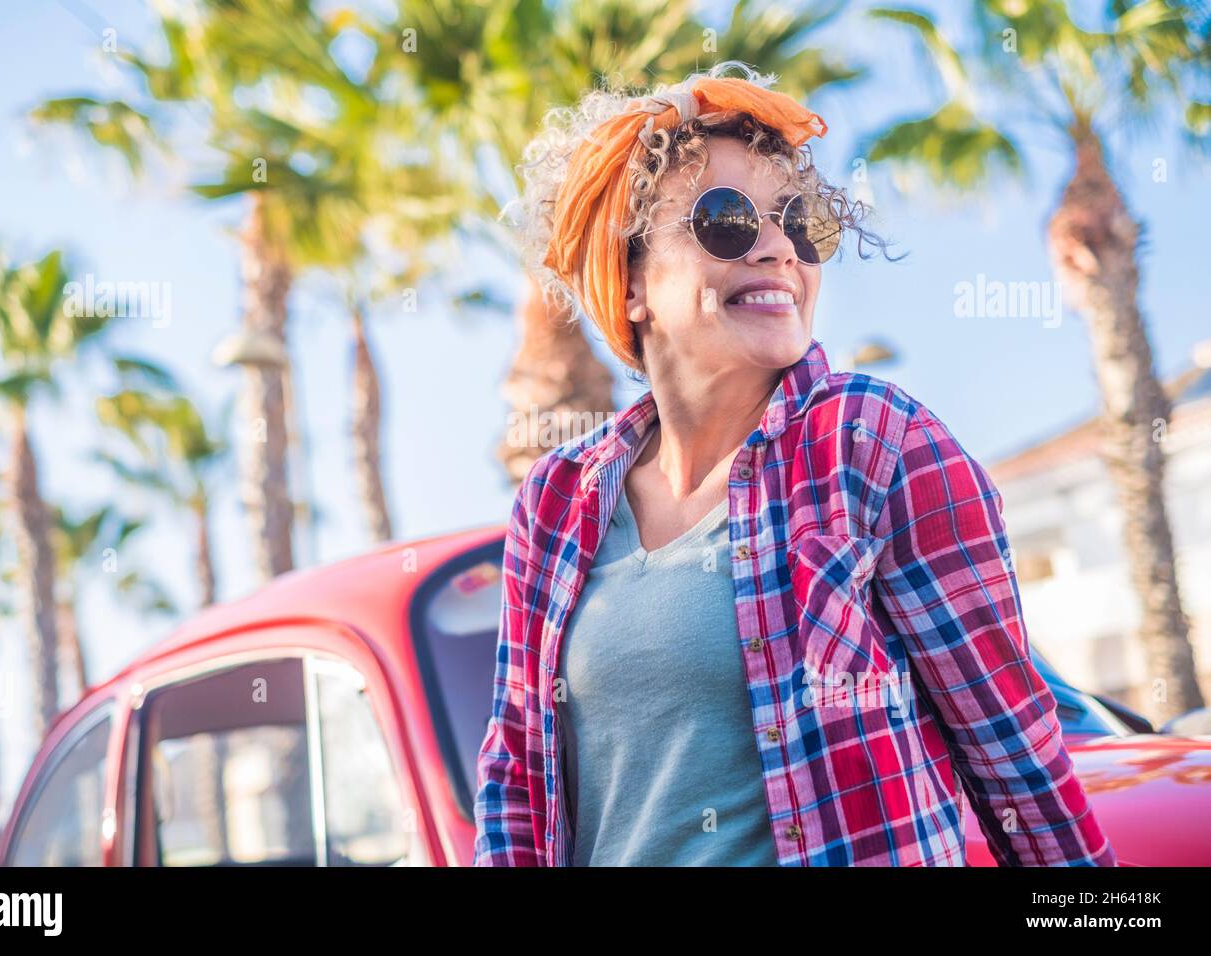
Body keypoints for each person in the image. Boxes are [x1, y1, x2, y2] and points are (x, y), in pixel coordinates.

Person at [472, 60, 1117, 866]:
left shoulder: (876, 441)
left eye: (800, 222)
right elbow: (516, 785)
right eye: (726, 220)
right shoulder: (555, 503)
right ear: (630, 279)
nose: (779, 248)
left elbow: (1015, 756)